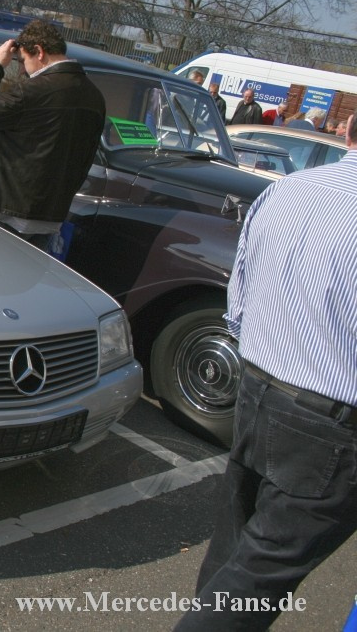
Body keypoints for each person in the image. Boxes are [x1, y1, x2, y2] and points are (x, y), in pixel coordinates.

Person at [174, 113, 357, 632]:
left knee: (237, 547)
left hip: (260, 385)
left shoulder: (290, 190)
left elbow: (239, 297)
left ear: (347, 130)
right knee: (260, 572)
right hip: (329, 421)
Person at [0, 19, 105, 251]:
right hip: (51, 214)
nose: (22, 70)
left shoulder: (32, 91)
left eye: (22, 61)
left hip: (9, 211)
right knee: (26, 273)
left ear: (39, 51)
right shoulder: (94, 96)